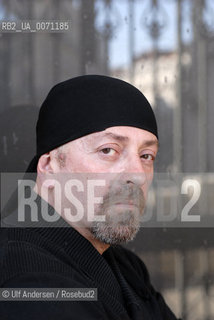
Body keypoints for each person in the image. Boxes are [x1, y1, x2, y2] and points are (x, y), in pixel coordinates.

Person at [0, 75, 180, 320]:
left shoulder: (126, 265)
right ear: (49, 165)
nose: (137, 175)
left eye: (146, 155)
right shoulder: (31, 284)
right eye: (108, 150)